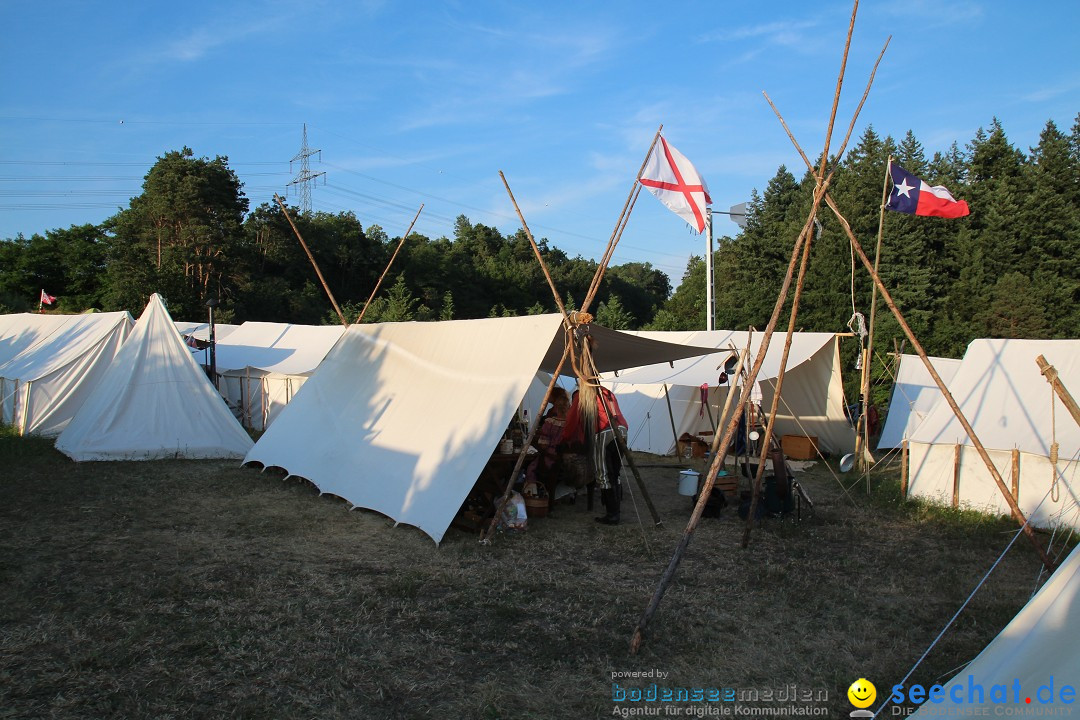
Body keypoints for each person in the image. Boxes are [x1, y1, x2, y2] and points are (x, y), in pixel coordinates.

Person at [560, 381, 629, 525]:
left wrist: (564, 437)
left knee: (603, 473)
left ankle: (612, 514)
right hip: (622, 429)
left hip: (604, 431)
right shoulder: (606, 391)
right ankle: (615, 511)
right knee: (614, 472)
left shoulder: (583, 395)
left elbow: (572, 420)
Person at [524, 387, 570, 509]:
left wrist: (539, 447)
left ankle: (532, 495)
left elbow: (543, 443)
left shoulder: (550, 422)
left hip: (549, 458)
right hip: (563, 459)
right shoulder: (569, 424)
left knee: (530, 468)